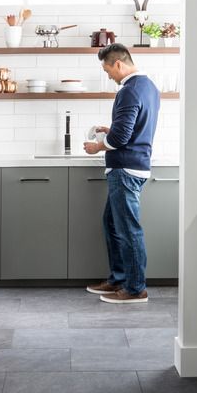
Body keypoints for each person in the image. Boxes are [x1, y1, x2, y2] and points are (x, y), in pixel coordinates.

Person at [83, 43, 161, 304]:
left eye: (108, 71)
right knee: (113, 224)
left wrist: (98, 146)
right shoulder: (148, 87)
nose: (109, 76)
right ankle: (119, 279)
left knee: (128, 229)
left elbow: (122, 137)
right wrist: (112, 128)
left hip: (125, 168)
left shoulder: (129, 90)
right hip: (134, 165)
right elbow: (132, 127)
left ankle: (136, 287)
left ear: (118, 63)